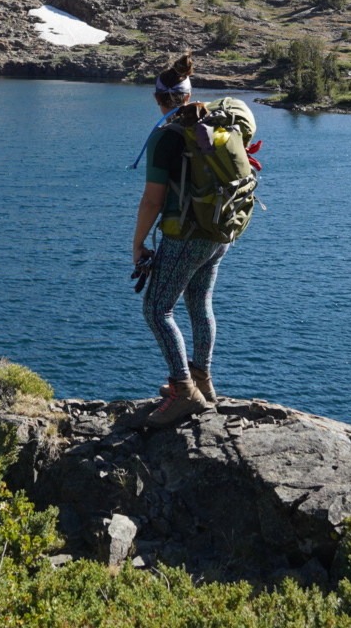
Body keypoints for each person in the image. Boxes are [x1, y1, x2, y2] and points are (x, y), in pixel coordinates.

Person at [131, 53, 228, 427]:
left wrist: (138, 244)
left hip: (186, 234)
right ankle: (202, 378)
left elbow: (152, 200)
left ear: (158, 99)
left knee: (157, 310)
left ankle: (184, 390)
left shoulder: (166, 136)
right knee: (199, 301)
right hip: (219, 231)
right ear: (189, 95)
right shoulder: (212, 124)